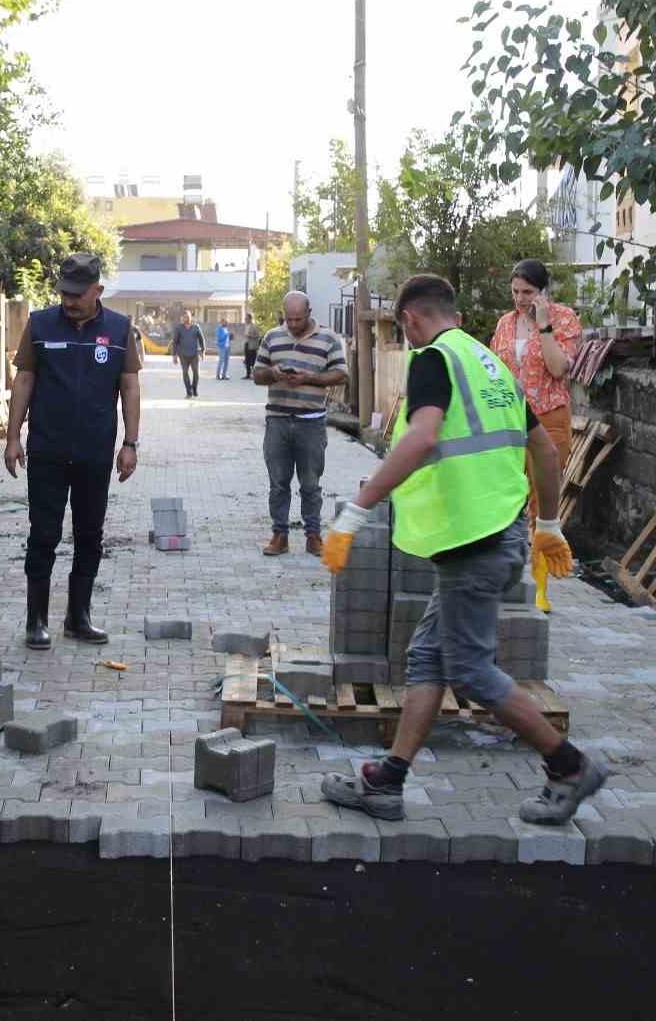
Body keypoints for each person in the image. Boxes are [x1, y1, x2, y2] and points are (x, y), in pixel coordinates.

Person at [318, 274, 604, 824]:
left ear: (409, 321)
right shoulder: (492, 365)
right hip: (496, 534)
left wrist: (357, 511)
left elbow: (422, 437)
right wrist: (548, 523)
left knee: (470, 671)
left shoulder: (433, 360)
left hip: (474, 544)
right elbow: (543, 450)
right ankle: (389, 781)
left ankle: (568, 767)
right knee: (428, 658)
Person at [5, 253, 142, 648]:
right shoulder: (40, 323)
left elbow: (130, 387)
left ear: (97, 290)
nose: (69, 300)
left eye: (77, 294)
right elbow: (25, 379)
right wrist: (13, 437)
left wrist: (130, 443)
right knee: (43, 534)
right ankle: (36, 621)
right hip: (47, 449)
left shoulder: (119, 328)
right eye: (64, 292)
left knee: (89, 535)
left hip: (95, 452)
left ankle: (78, 617)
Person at [489, 258, 583, 611]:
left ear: (543, 292)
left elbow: (558, 368)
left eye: (527, 292)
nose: (520, 299)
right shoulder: (505, 324)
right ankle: (506, 577)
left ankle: (540, 589)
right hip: (511, 420)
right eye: (515, 291)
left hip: (549, 419)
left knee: (542, 505)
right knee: (508, 498)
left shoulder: (564, 319)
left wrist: (543, 325)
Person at [252, 291, 348, 556]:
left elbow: (341, 375)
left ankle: (313, 536)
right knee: (278, 483)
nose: (293, 324)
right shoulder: (272, 337)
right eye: (289, 319)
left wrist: (309, 378)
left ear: (309, 313)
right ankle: (279, 535)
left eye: (298, 319)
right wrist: (272, 373)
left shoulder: (328, 338)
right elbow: (257, 375)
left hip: (311, 422)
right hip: (278, 421)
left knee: (310, 483)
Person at [171, 310, 206, 397]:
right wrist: (174, 355)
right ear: (182, 318)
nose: (186, 318)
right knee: (185, 373)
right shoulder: (179, 328)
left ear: (191, 317)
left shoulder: (196, 327)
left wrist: (203, 351)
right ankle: (188, 392)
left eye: (187, 317)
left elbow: (202, 339)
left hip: (194, 354)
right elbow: (175, 342)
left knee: (196, 374)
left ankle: (194, 388)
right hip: (183, 355)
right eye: (184, 317)